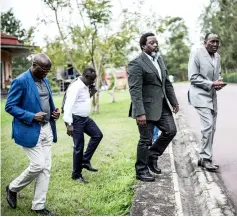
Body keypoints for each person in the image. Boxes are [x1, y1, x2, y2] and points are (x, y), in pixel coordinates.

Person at [5, 53, 60, 215]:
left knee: (45, 168)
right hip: (29, 130)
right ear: (34, 65)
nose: (46, 73)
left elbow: (47, 102)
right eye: (43, 70)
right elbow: (10, 106)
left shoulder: (46, 80)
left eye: (48, 71)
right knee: (38, 165)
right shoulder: (21, 81)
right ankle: (12, 188)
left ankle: (39, 206)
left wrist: (54, 113)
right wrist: (31, 116)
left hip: (47, 129)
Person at [127, 32, 179, 182]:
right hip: (145, 108)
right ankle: (141, 171)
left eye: (156, 42)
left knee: (171, 130)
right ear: (143, 46)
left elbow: (166, 83)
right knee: (145, 140)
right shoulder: (136, 63)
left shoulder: (159, 60)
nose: (155, 45)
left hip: (162, 106)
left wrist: (174, 101)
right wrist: (140, 113)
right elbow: (135, 90)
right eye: (151, 43)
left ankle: (152, 155)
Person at [188, 33, 225, 172]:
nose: (215, 44)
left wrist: (219, 81)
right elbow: (193, 77)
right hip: (199, 95)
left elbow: (218, 74)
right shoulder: (196, 54)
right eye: (212, 41)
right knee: (208, 126)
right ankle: (206, 159)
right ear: (205, 42)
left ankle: (203, 158)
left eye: (217, 42)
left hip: (212, 96)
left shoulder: (218, 57)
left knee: (212, 128)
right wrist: (211, 83)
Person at [63, 67, 103, 184]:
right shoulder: (75, 87)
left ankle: (85, 160)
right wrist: (69, 124)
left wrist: (92, 92)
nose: (93, 82)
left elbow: (83, 100)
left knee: (97, 135)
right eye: (91, 80)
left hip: (85, 119)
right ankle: (76, 175)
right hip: (76, 120)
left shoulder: (86, 85)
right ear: (86, 76)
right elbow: (68, 106)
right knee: (78, 146)